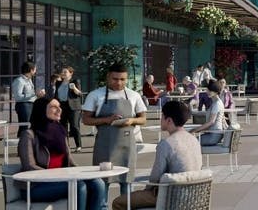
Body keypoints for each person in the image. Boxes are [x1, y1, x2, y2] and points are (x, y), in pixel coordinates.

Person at [17, 96, 107, 210]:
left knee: (98, 184)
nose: (59, 110)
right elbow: (29, 166)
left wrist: (83, 174)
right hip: (35, 186)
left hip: (62, 179)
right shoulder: (29, 135)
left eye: (59, 106)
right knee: (79, 186)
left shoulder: (61, 131)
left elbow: (69, 161)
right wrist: (57, 176)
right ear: (42, 109)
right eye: (54, 107)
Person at [114, 100, 202, 210]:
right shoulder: (194, 139)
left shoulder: (166, 144)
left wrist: (146, 190)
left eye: (162, 116)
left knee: (118, 202)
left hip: (170, 194)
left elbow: (155, 177)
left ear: (169, 120)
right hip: (194, 194)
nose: (160, 120)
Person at [82, 63, 147, 195]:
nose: (119, 83)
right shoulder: (95, 95)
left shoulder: (134, 95)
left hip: (127, 147)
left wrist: (132, 120)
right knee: (102, 184)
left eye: (122, 79)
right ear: (108, 77)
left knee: (127, 184)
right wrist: (106, 120)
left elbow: (143, 119)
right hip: (104, 147)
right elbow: (86, 120)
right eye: (115, 79)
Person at [54, 66, 85, 152]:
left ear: (70, 73)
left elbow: (79, 94)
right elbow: (56, 95)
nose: (63, 73)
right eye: (62, 72)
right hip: (62, 106)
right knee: (63, 126)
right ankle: (66, 145)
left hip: (73, 107)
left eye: (65, 72)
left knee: (74, 126)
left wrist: (74, 88)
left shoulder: (75, 81)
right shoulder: (58, 83)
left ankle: (78, 145)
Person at [195, 80, 227, 147]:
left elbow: (211, 122)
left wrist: (195, 130)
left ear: (216, 92)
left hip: (214, 136)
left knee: (190, 141)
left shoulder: (217, 104)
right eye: (207, 90)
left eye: (210, 90)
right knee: (190, 140)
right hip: (213, 134)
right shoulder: (215, 102)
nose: (207, 92)